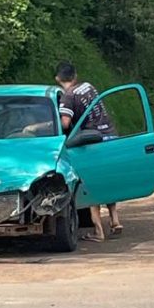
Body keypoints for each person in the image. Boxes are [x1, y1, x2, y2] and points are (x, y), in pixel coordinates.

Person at [54, 62, 121, 241]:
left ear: (57, 79)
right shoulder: (88, 87)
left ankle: (99, 231)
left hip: (92, 142)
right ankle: (115, 220)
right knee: (107, 182)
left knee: (91, 186)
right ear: (75, 75)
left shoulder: (68, 97)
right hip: (110, 136)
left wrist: (46, 125)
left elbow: (65, 124)